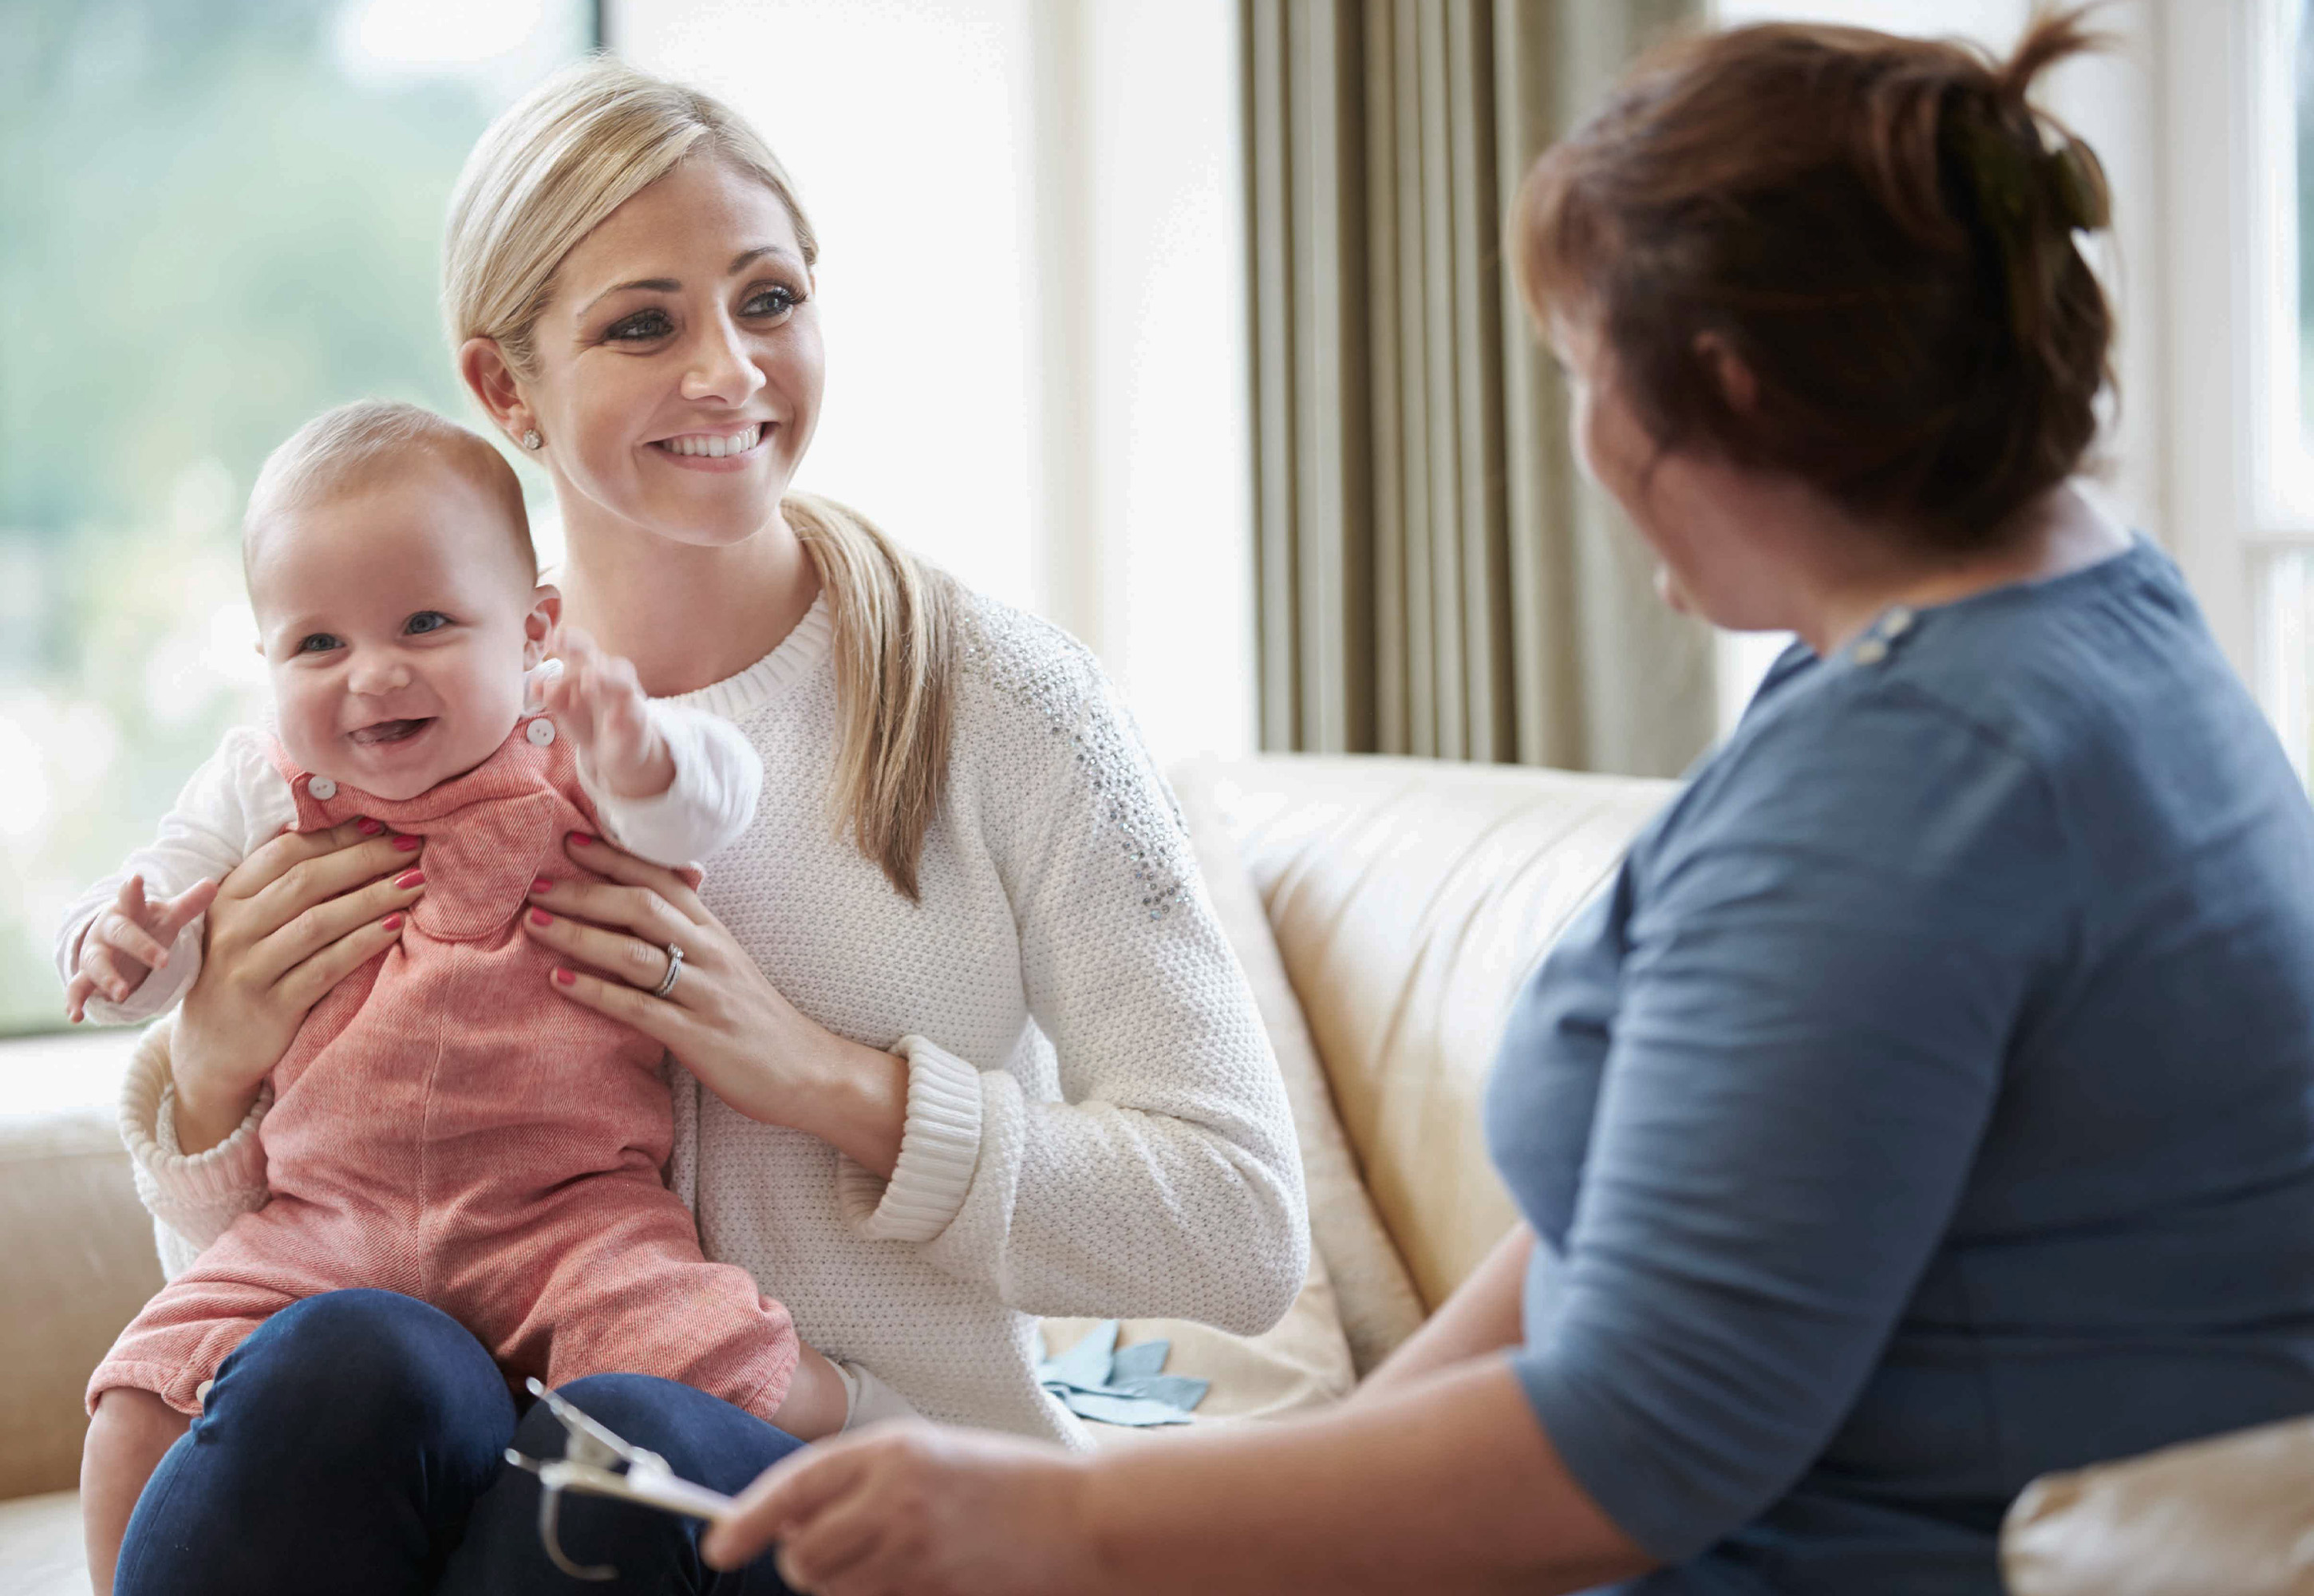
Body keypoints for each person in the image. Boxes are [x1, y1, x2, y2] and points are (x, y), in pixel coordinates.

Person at [687, 14, 2314, 1594]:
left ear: (1729, 391)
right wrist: (1254, 1516)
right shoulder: (2057, 626)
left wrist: (1069, 1530)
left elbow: (1634, 1446)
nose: (1583, 438)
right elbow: (1624, 1237)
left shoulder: (1908, 797)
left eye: (1579, 368)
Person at [101, 59, 1307, 1596]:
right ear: (504, 388)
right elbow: (258, 1336)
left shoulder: (1001, 704)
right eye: (644, 322)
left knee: (611, 1466)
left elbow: (1244, 1233)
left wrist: (831, 1085)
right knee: (347, 1367)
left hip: (848, 1481)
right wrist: (208, 1082)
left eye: (771, 299)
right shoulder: (382, 722)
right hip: (445, 1464)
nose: (731, 371)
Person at [69, 399, 906, 1593]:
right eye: (317, 645)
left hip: (562, 1217)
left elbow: (712, 802)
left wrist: (644, 758)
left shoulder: (571, 752)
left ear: (533, 634)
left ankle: (850, 1408)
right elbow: (153, 898)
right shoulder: (265, 784)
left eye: (425, 622)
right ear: (265, 664)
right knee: (140, 1390)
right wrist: (119, 943)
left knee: (707, 1362)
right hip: (327, 1224)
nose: (373, 676)